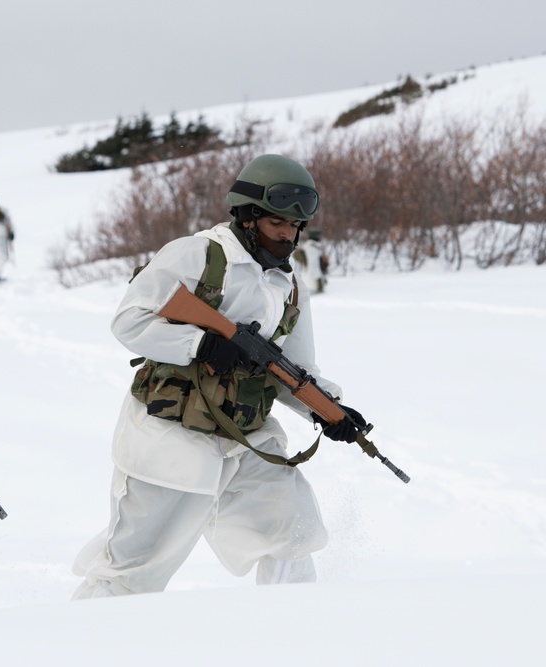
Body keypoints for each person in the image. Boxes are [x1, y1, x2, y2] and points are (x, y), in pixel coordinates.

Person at [71, 154, 367, 597]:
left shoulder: (289, 285)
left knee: (292, 533)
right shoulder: (196, 255)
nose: (288, 235)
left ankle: (292, 635)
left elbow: (296, 371)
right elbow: (129, 321)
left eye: (295, 226)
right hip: (171, 438)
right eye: (277, 223)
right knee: (133, 572)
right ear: (248, 218)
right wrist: (201, 344)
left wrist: (328, 411)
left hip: (247, 438)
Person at [292, 227, 329, 294]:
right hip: (312, 285)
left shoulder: (308, 246)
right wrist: (319, 281)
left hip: (307, 282)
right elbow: (313, 266)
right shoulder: (312, 248)